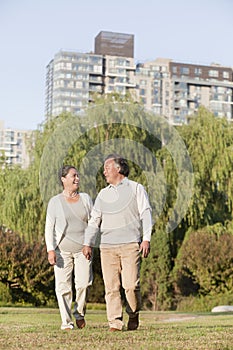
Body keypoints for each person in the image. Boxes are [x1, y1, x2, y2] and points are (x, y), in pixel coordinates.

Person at [82, 154, 153, 332]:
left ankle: (133, 313)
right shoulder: (103, 194)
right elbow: (94, 220)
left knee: (131, 286)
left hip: (130, 245)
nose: (104, 171)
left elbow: (146, 213)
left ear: (118, 169)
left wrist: (146, 238)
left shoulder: (136, 188)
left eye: (107, 167)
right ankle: (115, 322)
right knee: (111, 287)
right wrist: (87, 243)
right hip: (107, 247)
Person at [45, 165, 93, 330]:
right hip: (62, 251)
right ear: (63, 179)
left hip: (83, 250)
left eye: (78, 176)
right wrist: (50, 249)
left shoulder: (86, 198)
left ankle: (79, 313)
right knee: (63, 287)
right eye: (73, 176)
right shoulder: (55, 201)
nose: (77, 179)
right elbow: (49, 227)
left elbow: (93, 223)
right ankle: (66, 322)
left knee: (84, 284)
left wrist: (89, 243)